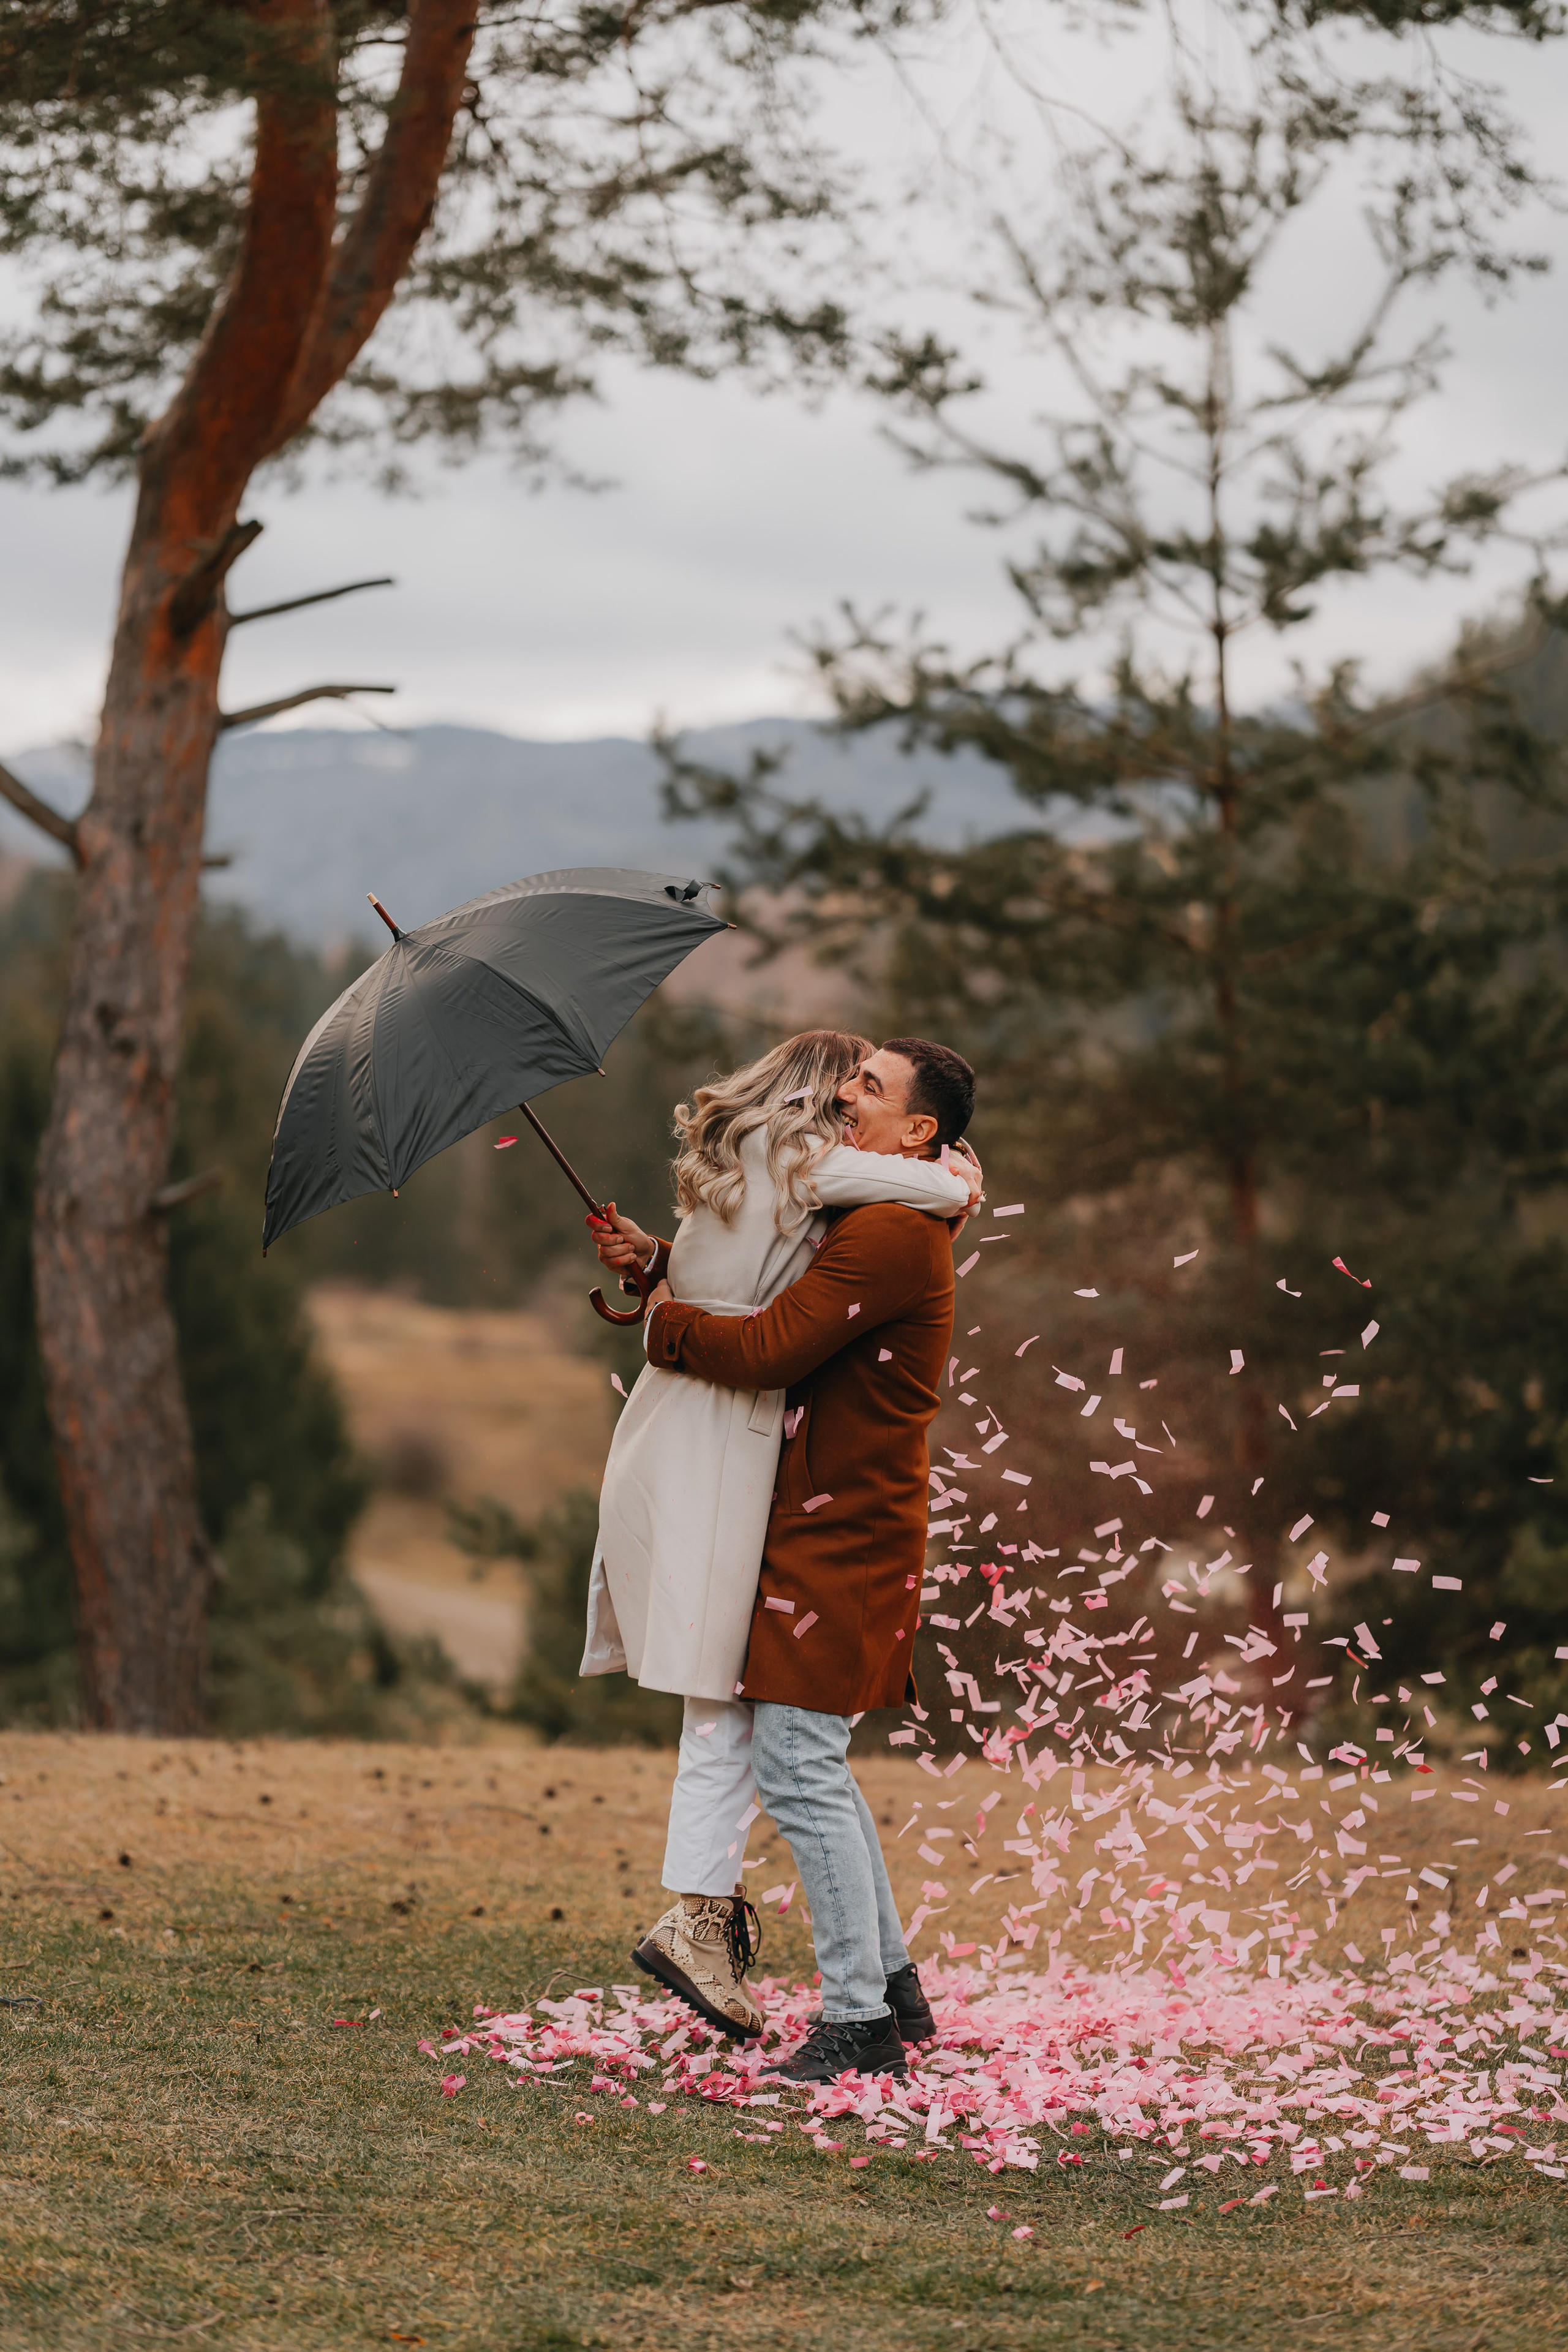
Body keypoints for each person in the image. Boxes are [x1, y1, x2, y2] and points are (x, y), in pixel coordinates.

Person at [580, 1031, 978, 2038]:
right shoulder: (876, 1209)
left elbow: (770, 1346)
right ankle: (892, 1991)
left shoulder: (890, 1228)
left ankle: (858, 2027)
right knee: (813, 1767)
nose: (848, 1095)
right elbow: (780, 1270)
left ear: (918, 1127)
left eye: (872, 1086)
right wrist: (666, 1260)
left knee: (799, 1769)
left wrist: (667, 1321)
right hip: (816, 1519)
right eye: (850, 1075)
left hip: (842, 1533)